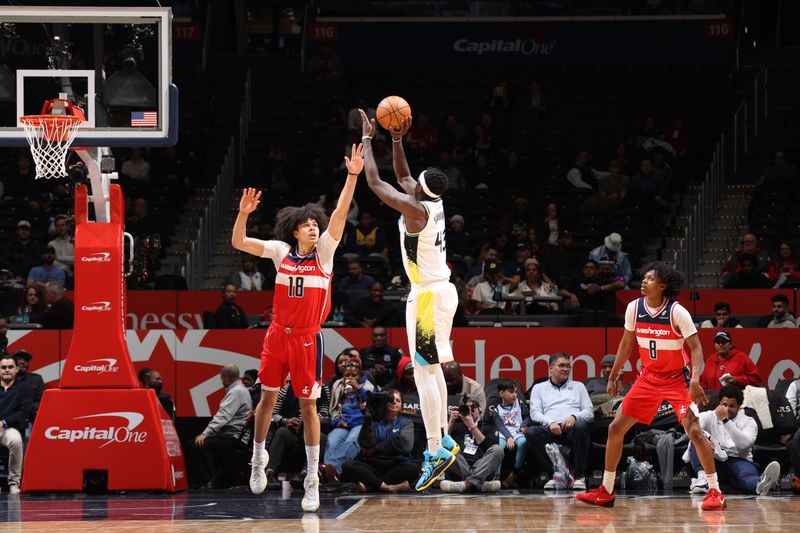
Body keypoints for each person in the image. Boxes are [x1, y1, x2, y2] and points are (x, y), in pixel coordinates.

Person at [231, 143, 363, 511]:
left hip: (307, 338)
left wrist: (352, 175)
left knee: (308, 408)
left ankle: (312, 479)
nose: (313, 227)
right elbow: (238, 242)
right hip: (277, 335)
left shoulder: (325, 253)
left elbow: (338, 213)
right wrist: (242, 214)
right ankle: (258, 460)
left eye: (315, 225)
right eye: (307, 225)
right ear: (295, 232)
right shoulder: (278, 252)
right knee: (267, 402)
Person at [360, 109, 461, 491]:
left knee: (424, 374)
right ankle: (443, 441)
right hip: (441, 292)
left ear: (419, 190)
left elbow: (375, 182)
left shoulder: (416, 211)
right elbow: (402, 176)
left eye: (413, 183)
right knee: (431, 371)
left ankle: (435, 447)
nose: (409, 181)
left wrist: (370, 139)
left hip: (426, 298)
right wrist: (398, 139)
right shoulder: (431, 203)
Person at [576, 262, 726, 511]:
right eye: (643, 278)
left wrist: (696, 380)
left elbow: (697, 349)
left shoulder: (677, 312)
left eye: (650, 278)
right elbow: (626, 344)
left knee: (696, 433)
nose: (643, 282)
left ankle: (715, 491)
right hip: (647, 379)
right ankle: (607, 490)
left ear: (663, 285)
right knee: (615, 429)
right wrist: (614, 375)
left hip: (678, 379)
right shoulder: (634, 308)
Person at [687, 385, 781, 496]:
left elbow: (743, 444)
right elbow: (689, 426)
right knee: (696, 439)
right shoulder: (709, 416)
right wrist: (705, 439)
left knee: (747, 480)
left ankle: (761, 483)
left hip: (739, 461)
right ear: (719, 403)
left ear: (740, 407)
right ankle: (702, 478)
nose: (727, 409)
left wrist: (726, 421)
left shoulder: (749, 421)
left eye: (732, 406)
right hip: (714, 461)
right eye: (724, 405)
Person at [526, 353, 593, 490]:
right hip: (550, 427)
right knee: (531, 432)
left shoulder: (578, 386)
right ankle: (555, 475)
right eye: (561, 365)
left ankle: (579, 476)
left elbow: (589, 412)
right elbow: (535, 413)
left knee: (581, 426)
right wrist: (550, 422)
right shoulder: (539, 388)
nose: (566, 369)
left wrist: (574, 416)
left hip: (571, 428)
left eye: (568, 366)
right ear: (551, 368)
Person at [339, 388, 419, 493]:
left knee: (414, 468)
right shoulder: (373, 420)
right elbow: (366, 444)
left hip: (395, 465)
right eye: (390, 400)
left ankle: (372, 486)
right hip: (373, 464)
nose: (394, 402)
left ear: (401, 406)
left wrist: (376, 448)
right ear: (384, 404)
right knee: (348, 466)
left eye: (398, 400)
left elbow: (405, 445)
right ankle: (388, 487)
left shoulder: (406, 423)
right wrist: (367, 418)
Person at [188, 364, 251, 489]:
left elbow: (222, 417)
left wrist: (206, 433)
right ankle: (215, 477)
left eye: (222, 379)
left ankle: (211, 479)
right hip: (231, 435)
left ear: (226, 379)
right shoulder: (240, 390)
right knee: (199, 442)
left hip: (233, 437)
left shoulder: (236, 392)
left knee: (198, 444)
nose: (222, 382)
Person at [266, 375, 331, 488]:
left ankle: (306, 474)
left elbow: (325, 414)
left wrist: (309, 421)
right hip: (292, 430)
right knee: (281, 432)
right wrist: (286, 421)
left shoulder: (322, 387)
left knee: (321, 437)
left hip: (311, 429)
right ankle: (269, 473)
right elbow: (273, 414)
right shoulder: (286, 389)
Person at [440, 395, 503, 493]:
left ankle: (466, 484)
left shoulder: (489, 426)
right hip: (461, 467)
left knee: (498, 449)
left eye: (473, 408)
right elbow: (441, 445)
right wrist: (451, 422)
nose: (469, 411)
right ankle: (479, 484)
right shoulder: (457, 425)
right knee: (446, 447)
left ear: (480, 410)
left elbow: (491, 448)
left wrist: (472, 426)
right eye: (466, 408)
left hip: (481, 467)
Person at [324, 362, 373, 479]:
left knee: (351, 441)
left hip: (361, 424)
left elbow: (373, 405)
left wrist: (358, 389)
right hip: (343, 424)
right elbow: (333, 411)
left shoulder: (368, 386)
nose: (350, 378)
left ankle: (332, 471)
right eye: (347, 375)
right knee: (331, 441)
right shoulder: (338, 386)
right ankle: (329, 471)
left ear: (360, 376)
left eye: (354, 375)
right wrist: (337, 422)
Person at [0, 353, 32, 495]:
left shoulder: (25, 388)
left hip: (9, 428)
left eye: (10, 367)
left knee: (16, 441)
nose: (7, 370)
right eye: (3, 367)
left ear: (16, 369)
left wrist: (4, 422)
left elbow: (24, 411)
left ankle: (14, 483)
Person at [493, 379, 529, 489]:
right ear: (501, 393)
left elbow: (527, 416)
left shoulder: (520, 403)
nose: (514, 395)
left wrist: (523, 425)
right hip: (504, 433)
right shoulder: (496, 410)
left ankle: (515, 474)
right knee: (499, 447)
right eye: (511, 392)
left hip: (517, 431)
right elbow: (500, 426)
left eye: (515, 392)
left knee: (523, 443)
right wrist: (509, 437)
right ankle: (496, 476)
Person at [12, 350, 45, 420]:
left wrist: (25, 407)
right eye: (19, 359)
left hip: (28, 419)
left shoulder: (36, 379)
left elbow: (42, 402)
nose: (22, 362)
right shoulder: (5, 380)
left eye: (25, 360)